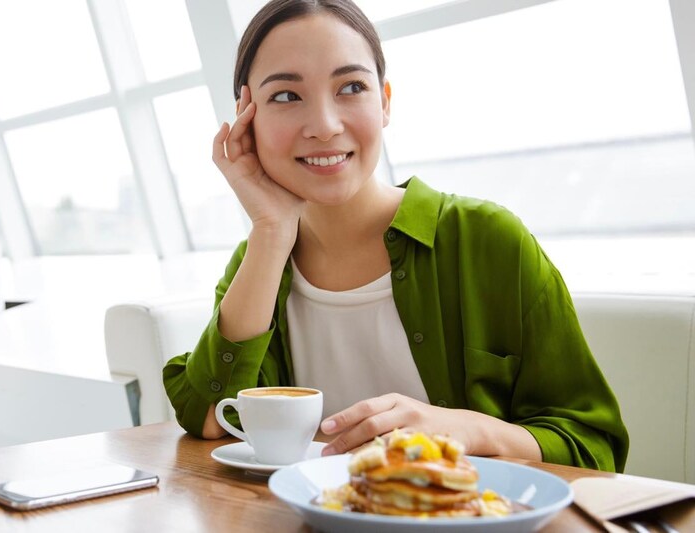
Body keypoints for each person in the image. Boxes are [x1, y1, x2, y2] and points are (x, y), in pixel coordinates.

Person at [163, 0, 629, 471]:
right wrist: (270, 231)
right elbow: (209, 418)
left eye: (351, 87)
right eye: (286, 96)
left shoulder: (488, 240)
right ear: (248, 117)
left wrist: (471, 429)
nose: (325, 126)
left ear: (384, 101)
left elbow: (596, 451)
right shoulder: (260, 264)